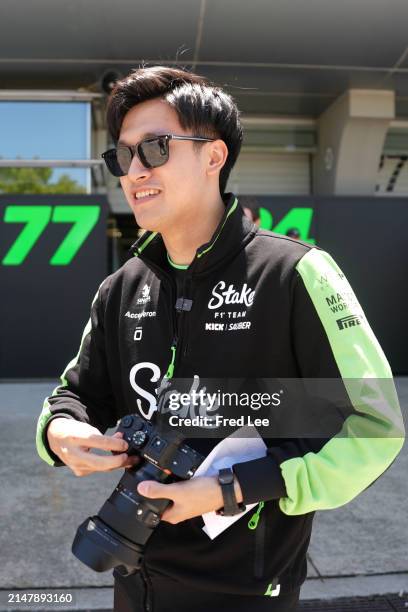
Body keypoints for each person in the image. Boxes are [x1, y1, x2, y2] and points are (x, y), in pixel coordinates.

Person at [36, 66, 404, 612]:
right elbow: (76, 395)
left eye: (155, 149)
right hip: (132, 576)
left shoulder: (296, 273)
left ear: (214, 156)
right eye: (122, 156)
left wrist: (232, 489)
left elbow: (373, 430)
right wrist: (62, 433)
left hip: (249, 589)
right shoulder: (119, 287)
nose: (133, 171)